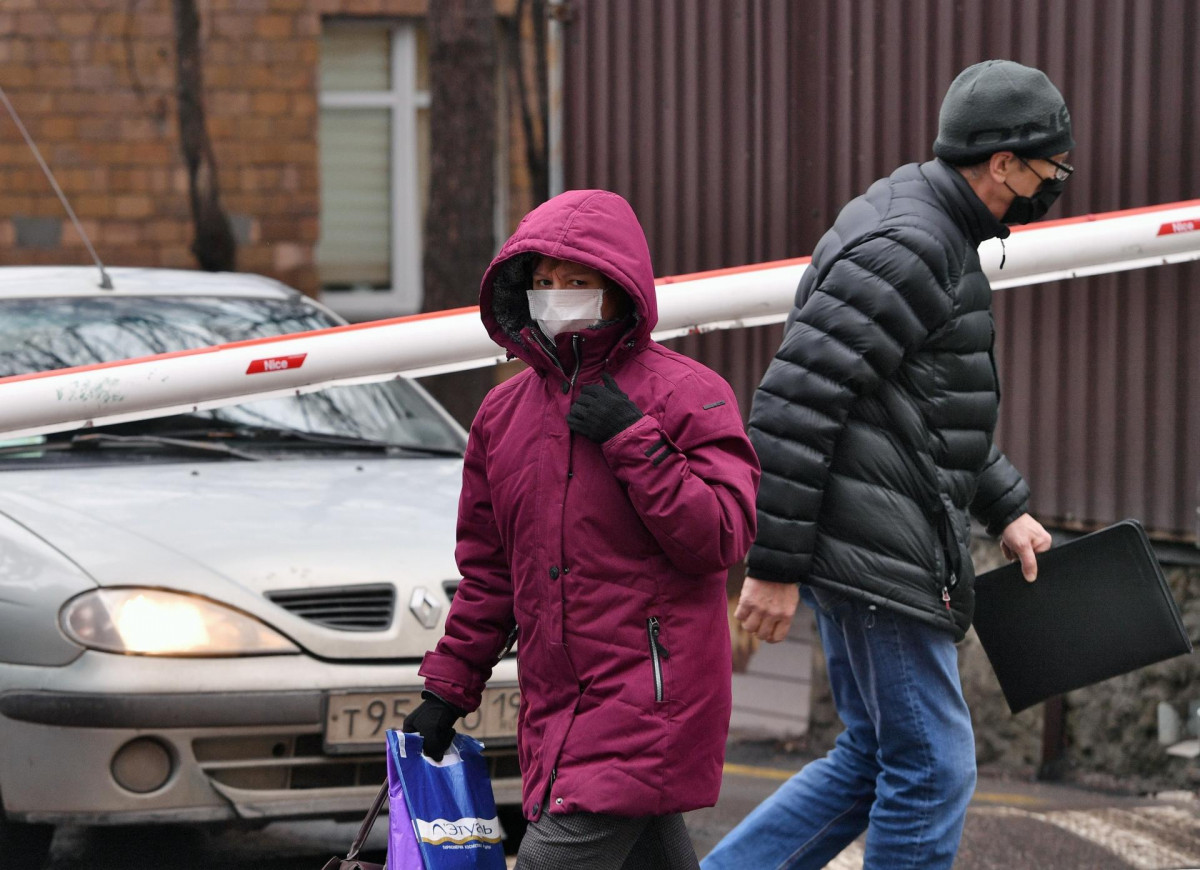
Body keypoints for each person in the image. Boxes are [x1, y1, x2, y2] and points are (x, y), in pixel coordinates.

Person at [702, 59, 1068, 870]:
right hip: (877, 556)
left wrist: (1003, 505)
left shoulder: (928, 222)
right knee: (934, 769)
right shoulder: (912, 243)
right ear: (1002, 163)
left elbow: (921, 408)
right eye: (1050, 165)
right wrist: (773, 565)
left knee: (873, 760)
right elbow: (794, 404)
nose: (1056, 182)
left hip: (878, 535)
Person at [403, 189, 760, 869]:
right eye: (541, 283)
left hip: (650, 703)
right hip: (556, 705)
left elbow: (720, 535)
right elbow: (491, 575)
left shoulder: (688, 394)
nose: (556, 296)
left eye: (576, 282)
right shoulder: (503, 416)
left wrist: (632, 439)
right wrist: (447, 689)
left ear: (619, 290)